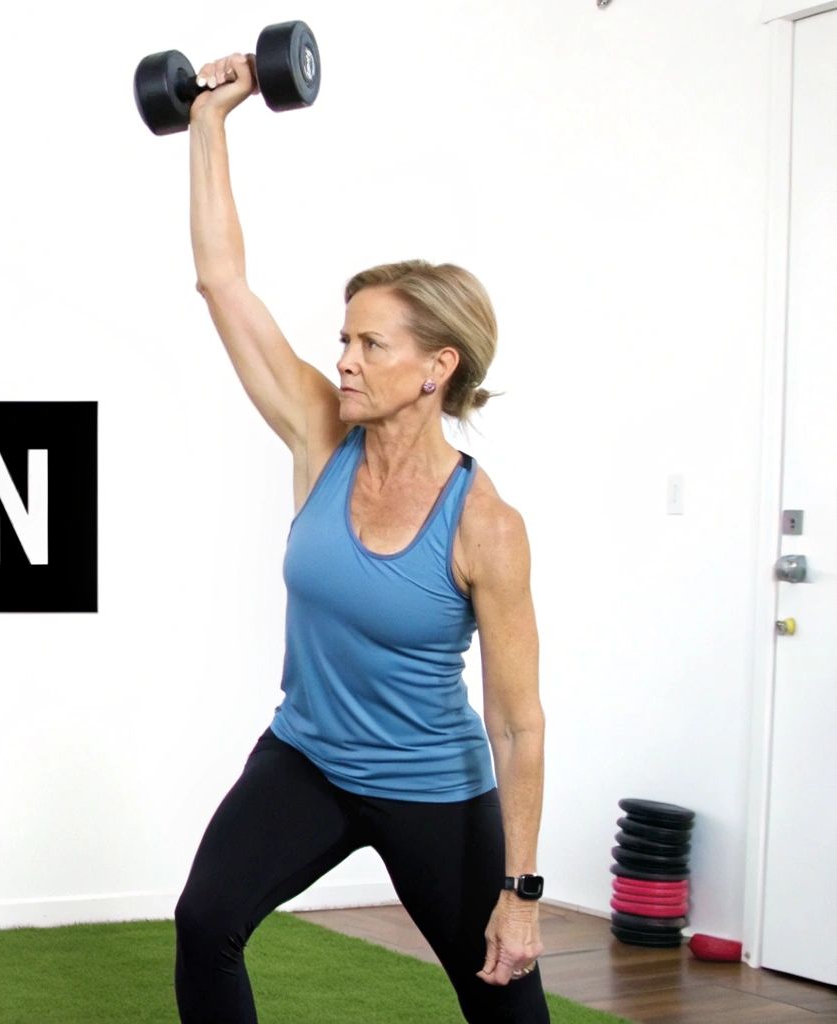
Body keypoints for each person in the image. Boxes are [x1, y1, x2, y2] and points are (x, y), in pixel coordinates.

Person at [170, 53, 550, 1023]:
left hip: (430, 786)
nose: (339, 359)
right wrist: (209, 123)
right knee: (203, 920)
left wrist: (521, 891)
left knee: (505, 1006)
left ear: (434, 368)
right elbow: (222, 283)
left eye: (366, 344)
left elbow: (515, 721)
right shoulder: (317, 436)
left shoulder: (483, 525)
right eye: (342, 339)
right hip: (305, 757)